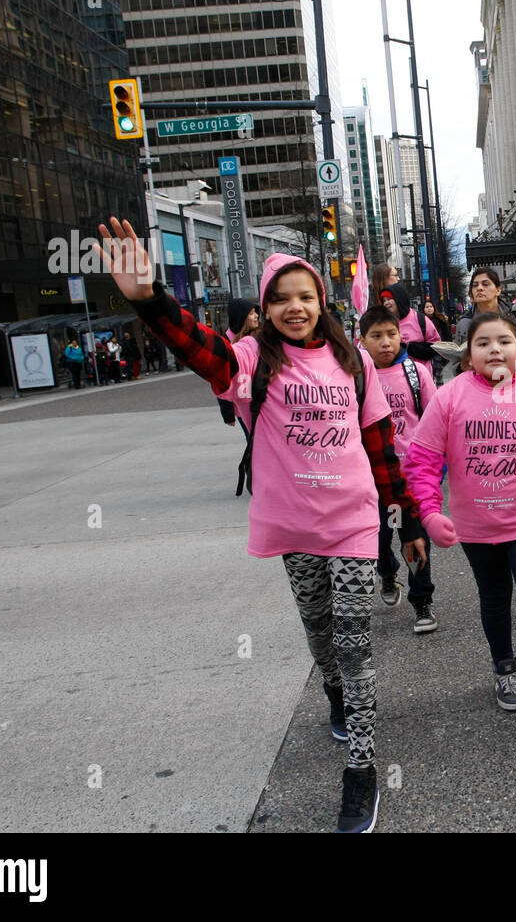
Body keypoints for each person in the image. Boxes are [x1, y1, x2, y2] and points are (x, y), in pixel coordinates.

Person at [98, 216, 426, 833]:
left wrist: (407, 519)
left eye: (305, 297)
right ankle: (332, 692)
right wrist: (152, 300)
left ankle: (361, 770)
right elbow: (202, 348)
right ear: (266, 308)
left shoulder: (350, 359)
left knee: (356, 643)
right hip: (291, 524)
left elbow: (379, 442)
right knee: (320, 629)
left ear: (321, 302)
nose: (294, 308)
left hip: (354, 522)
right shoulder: (252, 360)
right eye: (281, 298)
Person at [404, 311, 516, 742]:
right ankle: (504, 669)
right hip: (475, 528)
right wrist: (429, 511)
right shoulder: (449, 398)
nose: (494, 349)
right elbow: (422, 460)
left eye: (504, 341)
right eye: (483, 343)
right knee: (494, 598)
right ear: (467, 356)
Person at [359, 304, 439, 634]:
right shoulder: (357, 376)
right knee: (378, 539)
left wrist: (435, 466)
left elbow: (434, 418)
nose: (386, 342)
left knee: (415, 537)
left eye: (392, 334)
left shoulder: (415, 372)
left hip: (410, 478)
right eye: (376, 336)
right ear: (362, 340)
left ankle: (422, 600)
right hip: (373, 479)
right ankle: (387, 571)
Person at [454, 267, 516, 363]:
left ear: (498, 290)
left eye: (485, 284)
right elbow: (459, 361)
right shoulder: (465, 323)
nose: (479, 288)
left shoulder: (515, 312)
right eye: (475, 285)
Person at [379, 280, 441, 380]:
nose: (386, 303)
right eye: (384, 300)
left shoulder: (420, 319)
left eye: (389, 299)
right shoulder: (384, 323)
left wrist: (409, 347)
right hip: (397, 380)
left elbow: (437, 346)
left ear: (399, 299)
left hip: (421, 378)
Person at [218, 299, 260, 429]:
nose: (256, 316)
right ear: (241, 316)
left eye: (255, 312)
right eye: (251, 313)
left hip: (263, 399)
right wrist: (228, 413)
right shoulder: (225, 342)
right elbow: (221, 380)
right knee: (252, 440)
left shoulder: (260, 335)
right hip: (241, 402)